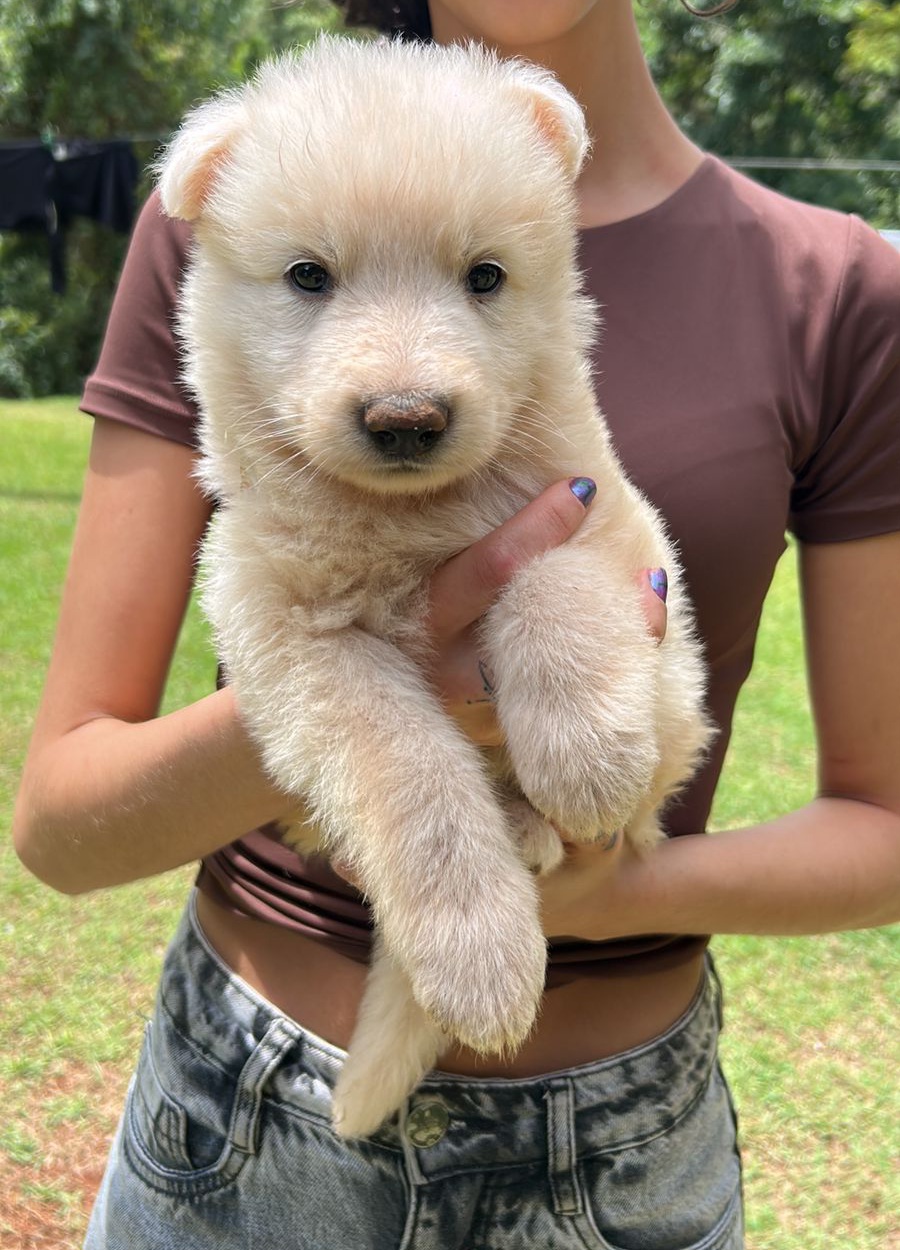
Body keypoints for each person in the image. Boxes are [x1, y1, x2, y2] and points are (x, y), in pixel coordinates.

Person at [13, 2, 900, 1246]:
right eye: (312, 280)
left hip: (629, 1150)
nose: (406, 390)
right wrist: (397, 766)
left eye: (481, 279)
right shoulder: (239, 189)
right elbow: (59, 825)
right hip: (242, 1117)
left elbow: (881, 823)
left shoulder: (836, 288)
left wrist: (597, 891)